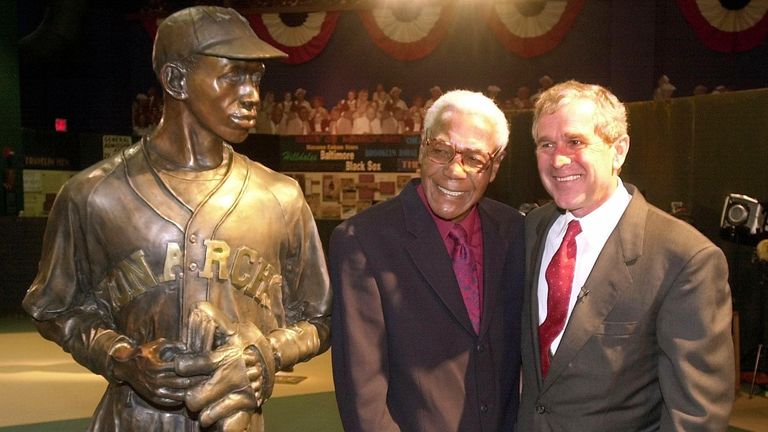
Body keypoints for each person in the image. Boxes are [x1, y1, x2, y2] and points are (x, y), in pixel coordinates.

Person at [22, 6, 332, 432]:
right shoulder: (94, 195)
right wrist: (122, 358)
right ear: (176, 80)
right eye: (232, 76)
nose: (252, 95)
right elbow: (53, 308)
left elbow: (321, 318)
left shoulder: (280, 196)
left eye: (256, 78)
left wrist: (269, 353)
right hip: (132, 420)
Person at [517, 80, 734, 431]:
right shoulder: (532, 229)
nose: (558, 159)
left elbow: (696, 416)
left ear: (619, 150)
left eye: (575, 142)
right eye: (546, 144)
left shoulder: (685, 258)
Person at [330, 89, 524, 431]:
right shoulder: (362, 242)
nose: (455, 171)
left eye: (474, 159)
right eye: (441, 151)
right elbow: (364, 400)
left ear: (494, 167)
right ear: (422, 147)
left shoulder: (516, 232)